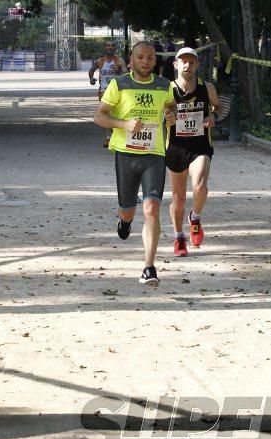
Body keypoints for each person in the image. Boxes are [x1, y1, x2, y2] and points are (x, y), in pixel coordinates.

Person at [93, 41, 176, 285]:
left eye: (150, 58)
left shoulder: (164, 86)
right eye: (140, 57)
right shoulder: (120, 84)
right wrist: (124, 124)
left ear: (155, 61)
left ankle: (149, 268)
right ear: (131, 60)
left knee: (151, 208)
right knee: (128, 209)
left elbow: (171, 107)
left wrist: (170, 115)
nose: (145, 62)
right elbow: (99, 116)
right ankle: (125, 220)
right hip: (126, 155)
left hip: (154, 155)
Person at [165, 47, 222, 257]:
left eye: (191, 62)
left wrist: (213, 117)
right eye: (183, 61)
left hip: (200, 146)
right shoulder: (167, 90)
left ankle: (195, 217)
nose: (187, 65)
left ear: (197, 65)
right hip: (176, 147)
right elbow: (158, 114)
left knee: (200, 187)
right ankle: (179, 236)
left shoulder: (207, 88)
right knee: (178, 199)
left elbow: (218, 107)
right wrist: (166, 117)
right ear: (176, 65)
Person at [88, 40, 127, 148]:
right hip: (104, 91)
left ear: (115, 48)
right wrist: (91, 79)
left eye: (112, 46)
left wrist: (118, 71)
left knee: (117, 114)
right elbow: (91, 70)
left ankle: (117, 135)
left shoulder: (119, 61)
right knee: (105, 114)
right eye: (108, 45)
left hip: (117, 91)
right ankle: (108, 138)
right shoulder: (100, 61)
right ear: (104, 48)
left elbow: (126, 74)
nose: (110, 47)